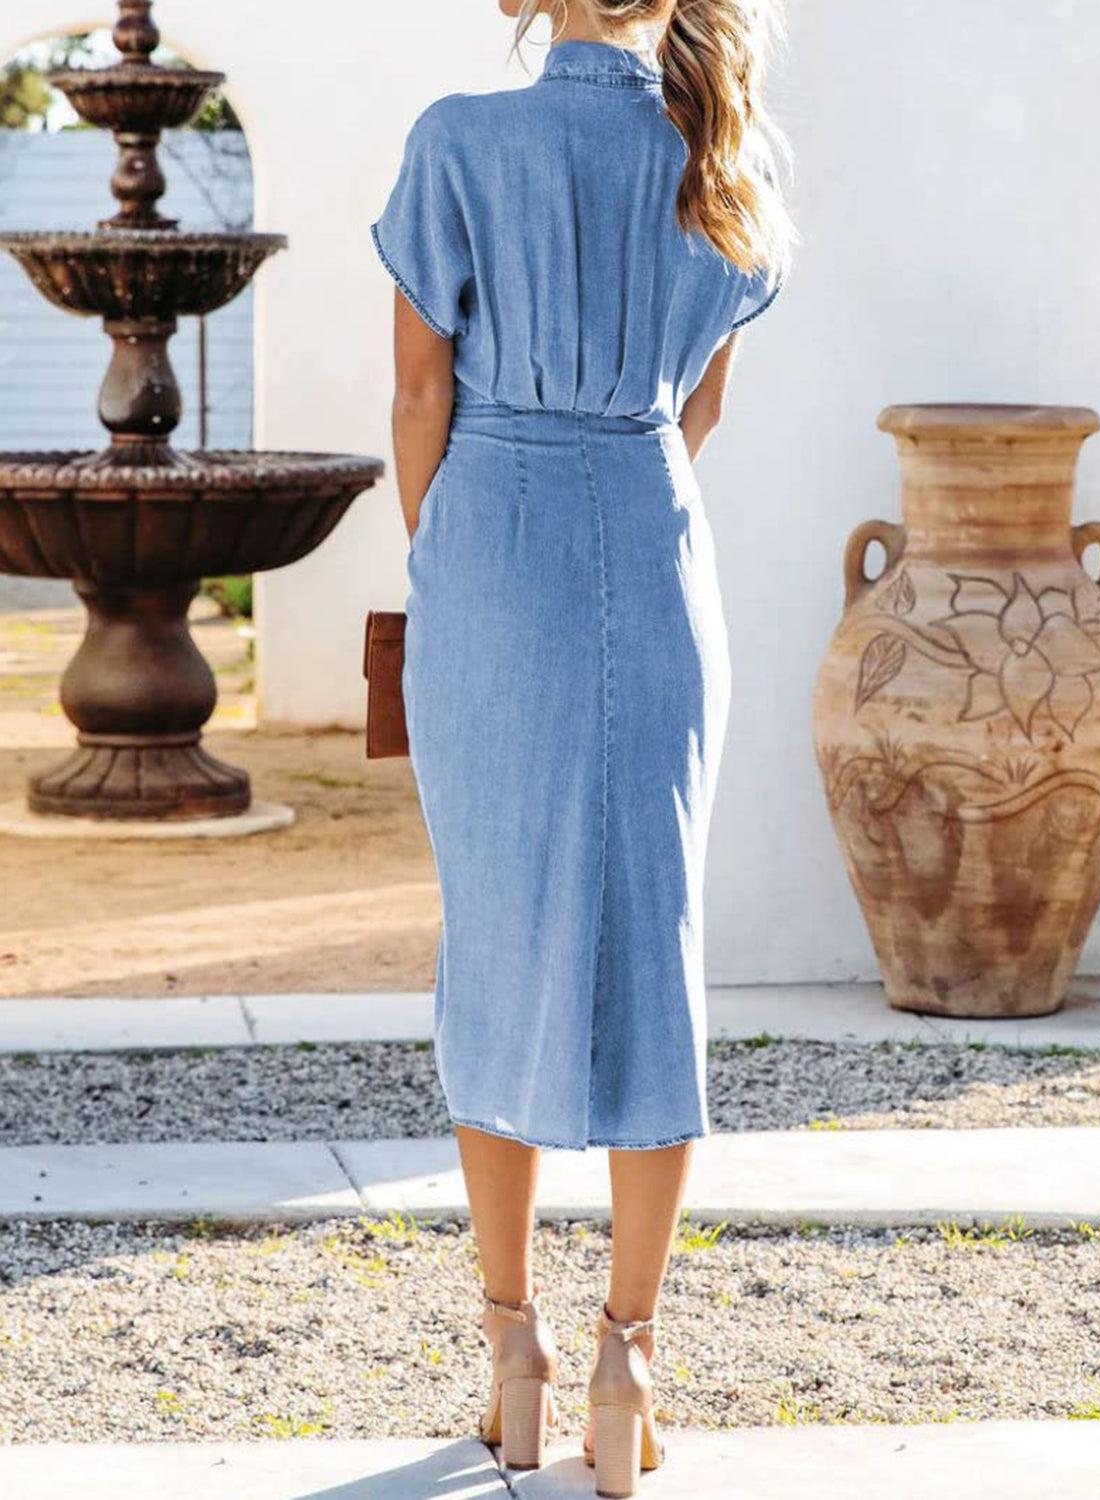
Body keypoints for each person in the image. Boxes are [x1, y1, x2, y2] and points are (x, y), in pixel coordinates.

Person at [369, 1, 794, 1492]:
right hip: (652, 542)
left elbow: (421, 396)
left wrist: (455, 560)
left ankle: (510, 1344)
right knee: (649, 943)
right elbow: (695, 413)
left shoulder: (458, 140)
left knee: (493, 935)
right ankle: (627, 1357)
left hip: (491, 543)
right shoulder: (722, 158)